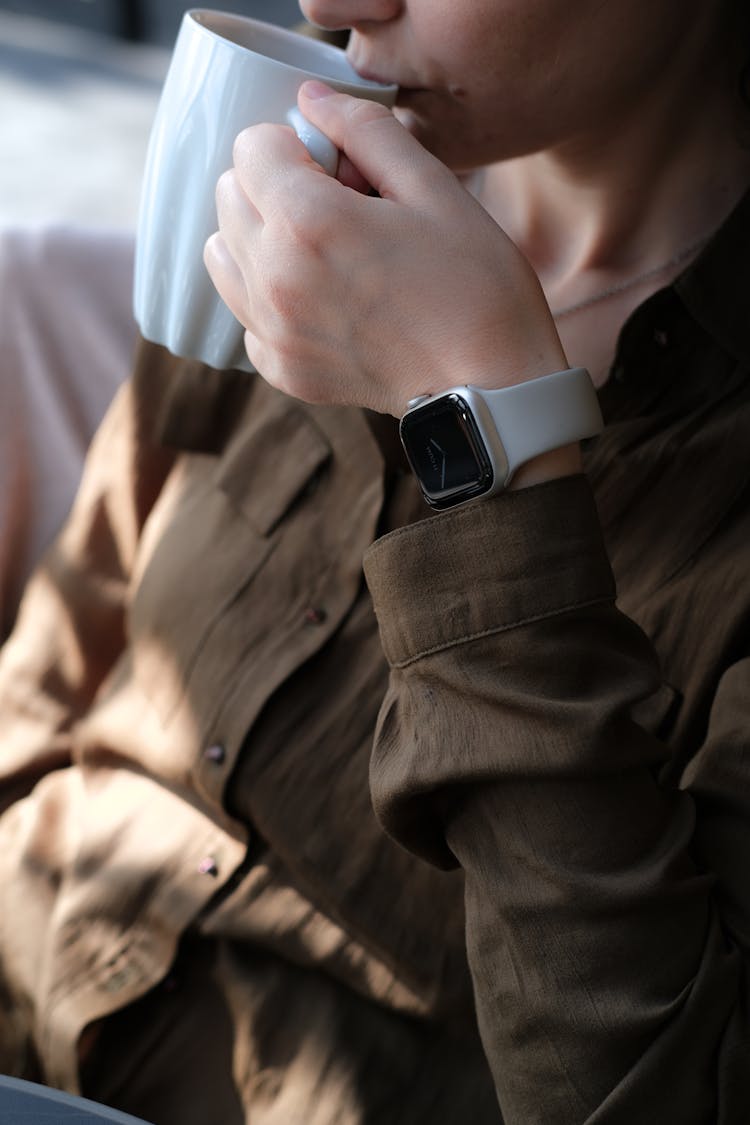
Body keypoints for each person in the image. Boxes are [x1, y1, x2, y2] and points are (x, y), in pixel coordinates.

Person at [1, 0, 749, 1121]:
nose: (332, 3)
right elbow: (57, 669)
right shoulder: (302, 206)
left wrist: (494, 439)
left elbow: (647, 1091)